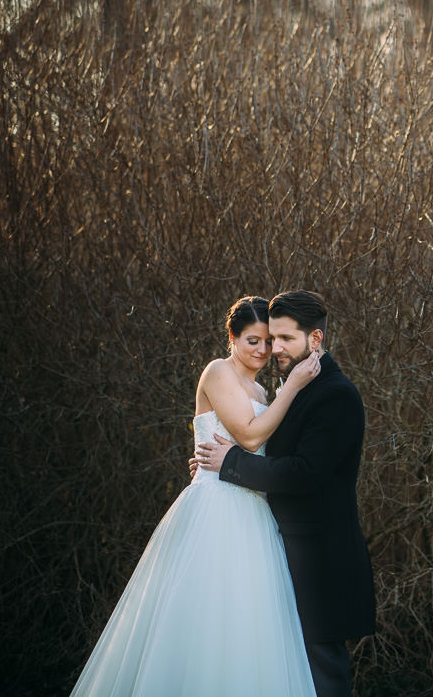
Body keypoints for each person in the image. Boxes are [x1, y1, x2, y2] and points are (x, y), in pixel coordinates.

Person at [71, 296, 322, 696]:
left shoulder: (261, 388)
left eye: (268, 342)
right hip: (216, 511)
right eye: (253, 341)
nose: (263, 351)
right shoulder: (218, 372)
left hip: (254, 515)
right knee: (203, 619)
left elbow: (262, 452)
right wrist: (293, 385)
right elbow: (250, 434)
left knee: (246, 625)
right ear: (232, 337)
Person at [196, 290, 376, 697]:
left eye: (285, 339)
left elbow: (304, 473)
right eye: (269, 338)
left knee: (322, 676)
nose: (274, 349)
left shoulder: (336, 395)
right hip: (274, 550)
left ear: (315, 340)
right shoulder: (293, 389)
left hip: (321, 563)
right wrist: (212, 463)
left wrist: (230, 464)